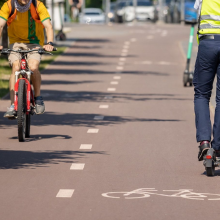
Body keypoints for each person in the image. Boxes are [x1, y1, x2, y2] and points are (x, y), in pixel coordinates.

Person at [0, 0, 54, 118]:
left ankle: (38, 98)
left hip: (34, 43)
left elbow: (48, 26)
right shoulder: (9, 5)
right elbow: (0, 24)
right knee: (16, 67)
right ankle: (13, 105)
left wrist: (49, 43)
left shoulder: (38, 5)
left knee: (33, 67)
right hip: (15, 44)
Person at [194, 0, 220, 160]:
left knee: (201, 95)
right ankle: (218, 147)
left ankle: (204, 142)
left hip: (208, 44)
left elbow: (197, 12)